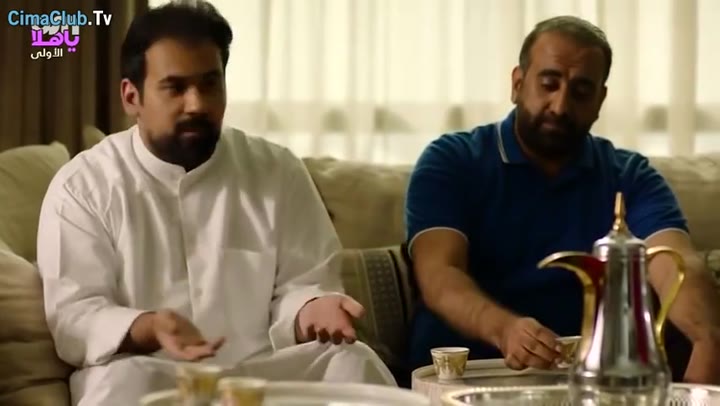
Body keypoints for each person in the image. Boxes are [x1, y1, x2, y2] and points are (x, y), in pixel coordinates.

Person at [36, 2, 395, 405]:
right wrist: (149, 326)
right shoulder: (83, 186)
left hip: (263, 373)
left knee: (352, 362)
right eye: (175, 88)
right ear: (132, 97)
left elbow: (304, 282)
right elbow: (74, 315)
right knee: (120, 384)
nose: (197, 104)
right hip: (151, 373)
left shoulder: (277, 170)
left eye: (210, 85)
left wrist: (310, 309)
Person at [404, 15, 720, 384]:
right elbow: (439, 275)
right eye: (548, 84)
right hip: (465, 379)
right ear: (518, 84)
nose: (560, 105)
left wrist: (708, 338)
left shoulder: (630, 176)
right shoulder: (452, 160)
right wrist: (505, 330)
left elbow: (676, 263)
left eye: (581, 91)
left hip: (590, 384)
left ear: (600, 100)